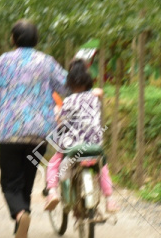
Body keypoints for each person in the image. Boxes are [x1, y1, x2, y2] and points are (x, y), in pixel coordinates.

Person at [0, 20, 68, 238]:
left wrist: (6, 105)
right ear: (36, 39)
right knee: (27, 178)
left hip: (11, 132)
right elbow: (65, 85)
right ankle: (20, 228)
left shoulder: (3, 61)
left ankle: (20, 215)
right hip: (39, 133)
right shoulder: (46, 61)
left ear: (13, 39)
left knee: (9, 182)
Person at [43, 59, 118, 213]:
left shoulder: (68, 101)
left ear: (69, 84)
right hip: (94, 145)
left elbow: (60, 121)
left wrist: (58, 116)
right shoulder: (94, 98)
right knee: (102, 168)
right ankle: (110, 199)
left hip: (72, 146)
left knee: (53, 164)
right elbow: (99, 92)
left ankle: (51, 192)